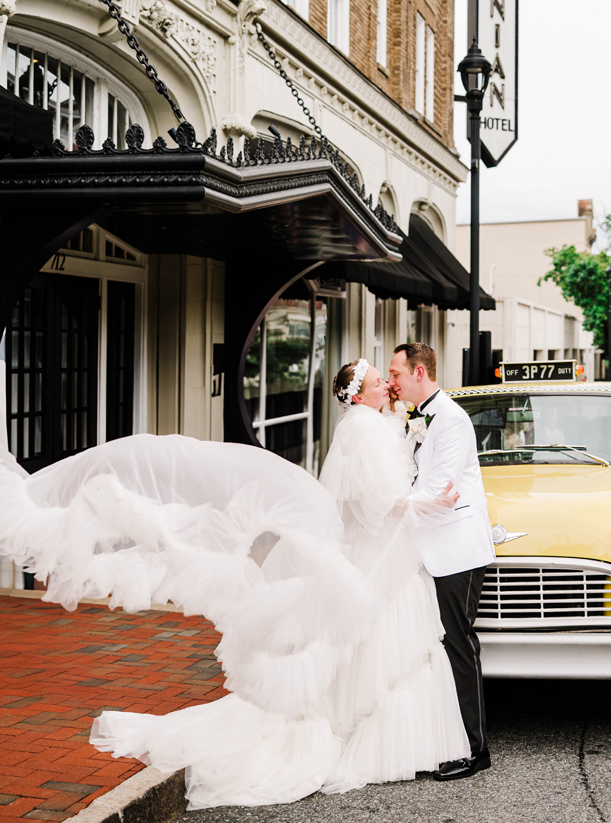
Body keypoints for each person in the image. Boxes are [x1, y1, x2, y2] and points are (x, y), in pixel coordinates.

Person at [0, 358, 472, 807]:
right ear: (359, 395)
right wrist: (423, 505)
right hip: (381, 549)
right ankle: (365, 735)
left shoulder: (377, 423)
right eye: (377, 381)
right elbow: (375, 504)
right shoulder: (363, 431)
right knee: (378, 643)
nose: (386, 386)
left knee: (382, 644)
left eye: (388, 377)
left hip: (390, 552)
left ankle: (377, 731)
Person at [388, 342, 495, 780]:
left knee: (459, 645)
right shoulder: (415, 418)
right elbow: (425, 487)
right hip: (429, 547)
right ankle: (448, 740)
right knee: (440, 646)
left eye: (395, 373)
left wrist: (390, 504)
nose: (392, 381)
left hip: (457, 550)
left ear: (418, 372)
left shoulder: (450, 419)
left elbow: (441, 493)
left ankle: (476, 749)